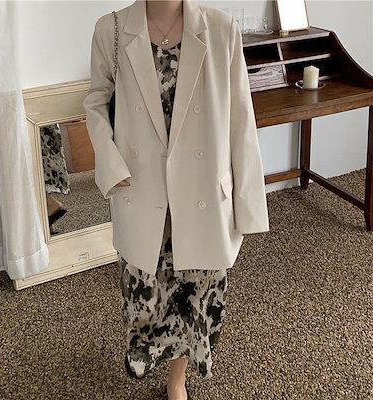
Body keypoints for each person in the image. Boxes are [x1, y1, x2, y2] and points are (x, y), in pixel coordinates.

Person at [83, 1, 270, 399]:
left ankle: (177, 379)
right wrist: (109, 162)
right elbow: (95, 102)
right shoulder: (111, 29)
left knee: (195, 296)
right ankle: (150, 357)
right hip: (141, 188)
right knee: (146, 297)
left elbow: (241, 117)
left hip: (201, 193)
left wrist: (248, 204)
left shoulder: (221, 28)